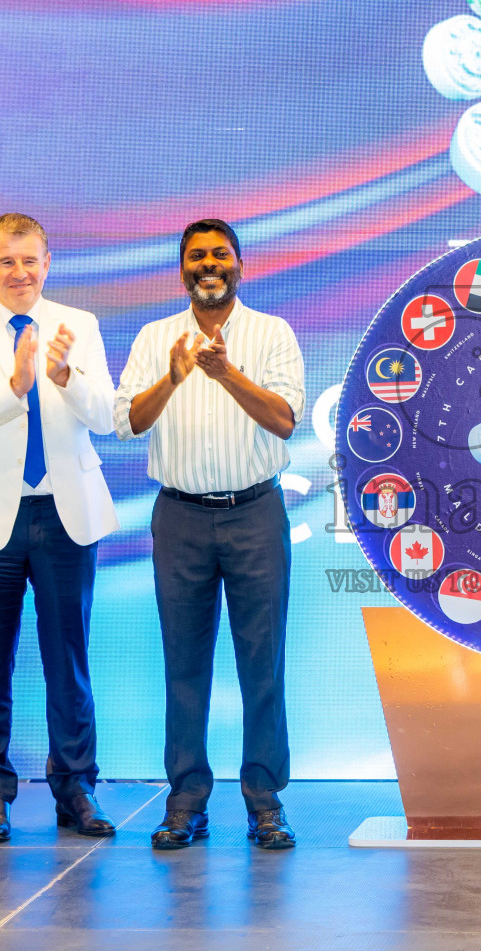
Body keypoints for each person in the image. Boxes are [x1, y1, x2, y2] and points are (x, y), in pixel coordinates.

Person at [115, 218, 304, 851]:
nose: (208, 265)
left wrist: (225, 373)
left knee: (263, 662)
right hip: (180, 517)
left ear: (240, 266)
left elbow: (282, 421)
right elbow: (128, 424)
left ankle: (264, 798)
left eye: (220, 254)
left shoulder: (271, 333)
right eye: (196, 256)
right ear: (183, 270)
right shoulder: (153, 337)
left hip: (254, 513)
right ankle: (186, 799)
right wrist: (173, 377)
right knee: (184, 665)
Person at [0, 214, 119, 843]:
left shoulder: (80, 326)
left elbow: (108, 417)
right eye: (7, 262)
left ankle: (77, 790)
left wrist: (63, 377)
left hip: (65, 515)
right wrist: (13, 389)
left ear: (48, 262)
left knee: (69, 661)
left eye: (31, 261)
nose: (20, 274)